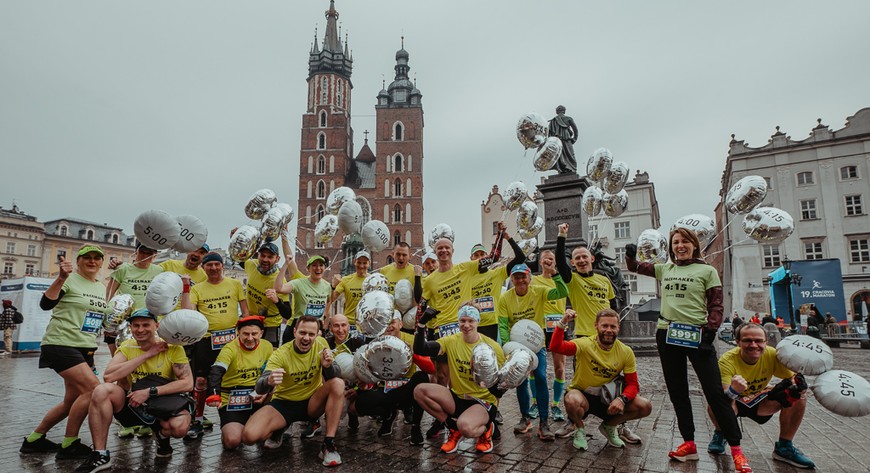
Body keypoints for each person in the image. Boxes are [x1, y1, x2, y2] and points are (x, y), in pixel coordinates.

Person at [625, 229, 750, 473]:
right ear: (671, 248)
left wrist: (711, 331)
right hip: (667, 333)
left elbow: (716, 303)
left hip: (698, 335)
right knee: (678, 391)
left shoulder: (707, 270)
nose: (680, 246)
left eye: (685, 242)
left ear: (694, 245)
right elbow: (637, 268)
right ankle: (689, 444)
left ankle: (736, 450)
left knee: (714, 393)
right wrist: (630, 256)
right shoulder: (666, 269)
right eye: (676, 243)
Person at [73, 309, 193, 472]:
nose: (140, 329)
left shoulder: (172, 348)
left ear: (156, 325)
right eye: (136, 325)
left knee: (179, 429)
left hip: (163, 404)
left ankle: (162, 435)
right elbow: (109, 376)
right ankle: (100, 454)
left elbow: (187, 383)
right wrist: (147, 354)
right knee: (101, 391)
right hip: (135, 406)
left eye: (145, 325)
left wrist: (150, 392)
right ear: (130, 327)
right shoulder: (127, 346)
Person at [20, 245, 107, 460]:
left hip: (85, 347)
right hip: (60, 344)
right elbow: (45, 304)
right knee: (93, 390)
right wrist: (60, 278)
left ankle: (34, 440)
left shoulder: (101, 287)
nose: (92, 261)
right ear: (78, 261)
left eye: (97, 258)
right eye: (87, 257)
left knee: (72, 401)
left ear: (101, 263)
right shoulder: (69, 280)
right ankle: (69, 444)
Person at [240, 315, 346, 467]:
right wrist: (269, 381)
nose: (306, 338)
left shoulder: (321, 344)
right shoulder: (281, 353)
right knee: (249, 436)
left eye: (311, 334)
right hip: (284, 404)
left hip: (312, 403)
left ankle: (328, 444)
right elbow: (259, 387)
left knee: (338, 384)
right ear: (295, 331)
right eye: (302, 333)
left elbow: (335, 375)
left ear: (317, 335)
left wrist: (328, 366)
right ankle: (279, 428)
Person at [415, 237, 493, 437]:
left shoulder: (465, 268)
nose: (443, 251)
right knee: (441, 376)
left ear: (452, 250)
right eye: (439, 248)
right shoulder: (430, 279)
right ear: (435, 251)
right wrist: (422, 321)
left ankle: (483, 412)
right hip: (442, 332)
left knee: (467, 373)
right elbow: (421, 304)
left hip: (464, 328)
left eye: (446, 247)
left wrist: (502, 235)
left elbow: (492, 259)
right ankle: (444, 420)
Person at [707, 323, 815, 469]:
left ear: (766, 342)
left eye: (758, 341)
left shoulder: (771, 354)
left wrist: (797, 386)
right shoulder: (727, 361)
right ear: (737, 342)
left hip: (759, 403)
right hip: (734, 402)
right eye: (747, 340)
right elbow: (725, 396)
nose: (753, 345)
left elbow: (792, 378)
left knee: (799, 396)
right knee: (715, 401)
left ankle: (784, 447)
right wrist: (734, 390)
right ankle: (721, 433)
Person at [549, 308, 652, 450]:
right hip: (583, 397)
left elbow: (633, 384)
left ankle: (609, 427)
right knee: (571, 399)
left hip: (608, 399)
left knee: (645, 406)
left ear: (618, 328)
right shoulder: (584, 344)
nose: (609, 330)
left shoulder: (626, 351)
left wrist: (622, 399)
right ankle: (579, 428)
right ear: (596, 326)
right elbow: (555, 346)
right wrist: (562, 323)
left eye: (613, 326)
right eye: (604, 326)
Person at [413, 305, 505, 454]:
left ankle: (487, 429)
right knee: (419, 391)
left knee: (466, 428)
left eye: (471, 321)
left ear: (478, 322)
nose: (466, 325)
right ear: (458, 322)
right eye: (462, 320)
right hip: (457, 398)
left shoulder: (492, 347)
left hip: (481, 402)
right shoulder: (451, 341)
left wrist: (492, 408)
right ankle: (452, 428)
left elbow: (500, 388)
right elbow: (420, 349)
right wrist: (422, 323)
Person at [182, 252, 249, 439]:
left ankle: (237, 417)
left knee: (235, 379)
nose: (213, 268)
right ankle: (198, 419)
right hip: (206, 341)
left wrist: (247, 334)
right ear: (203, 268)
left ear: (222, 266)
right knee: (201, 382)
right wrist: (186, 288)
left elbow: (245, 312)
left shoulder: (235, 284)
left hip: (232, 341)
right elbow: (188, 313)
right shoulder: (198, 289)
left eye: (216, 264)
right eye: (209, 265)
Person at [497, 263, 568, 441]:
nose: (520, 280)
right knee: (520, 381)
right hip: (517, 346)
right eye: (516, 277)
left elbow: (562, 293)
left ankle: (544, 422)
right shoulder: (505, 298)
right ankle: (525, 418)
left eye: (523, 276)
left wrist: (555, 274)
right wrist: (508, 348)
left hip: (537, 345)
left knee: (541, 378)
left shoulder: (539, 291)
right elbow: (503, 325)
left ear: (530, 278)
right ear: (511, 280)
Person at [351, 312, 432, 443]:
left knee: (422, 377)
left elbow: (431, 368)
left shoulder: (413, 339)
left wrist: (414, 355)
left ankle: (416, 427)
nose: (389, 326)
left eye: (392, 322)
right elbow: (365, 371)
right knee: (358, 405)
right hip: (384, 390)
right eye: (386, 323)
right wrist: (358, 387)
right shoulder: (376, 341)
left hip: (406, 389)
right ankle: (387, 415)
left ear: (401, 324)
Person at [204, 316, 273, 450]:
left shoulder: (267, 346)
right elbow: (216, 371)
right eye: (245, 334)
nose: (250, 338)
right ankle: (234, 428)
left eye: (254, 334)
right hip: (231, 398)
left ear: (261, 333)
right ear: (238, 333)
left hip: (257, 394)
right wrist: (214, 393)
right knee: (232, 441)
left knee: (263, 436)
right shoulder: (229, 349)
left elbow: (271, 373)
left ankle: (264, 428)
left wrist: (266, 393)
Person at [467, 221, 526, 342]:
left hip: (494, 325)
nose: (479, 258)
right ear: (471, 259)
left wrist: (508, 238)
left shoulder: (497, 273)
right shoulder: (466, 279)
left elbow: (520, 257)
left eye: (482, 254)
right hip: (473, 325)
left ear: (487, 256)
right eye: (476, 255)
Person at [105, 242, 164, 356]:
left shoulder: (159, 271)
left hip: (148, 322)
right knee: (121, 357)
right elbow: (109, 294)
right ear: (136, 252)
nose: (145, 255)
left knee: (147, 359)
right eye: (142, 252)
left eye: (149, 253)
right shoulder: (123, 269)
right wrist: (107, 322)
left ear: (154, 255)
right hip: (125, 322)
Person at [531, 249, 567, 422]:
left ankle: (556, 405)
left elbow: (566, 293)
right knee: (536, 368)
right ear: (540, 261)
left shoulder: (560, 279)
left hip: (557, 326)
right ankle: (536, 402)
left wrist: (555, 273)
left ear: (555, 262)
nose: (548, 261)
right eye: (545, 258)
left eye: (551, 258)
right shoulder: (533, 280)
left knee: (559, 367)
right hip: (538, 326)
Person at [323, 314, 366, 434]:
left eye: (343, 325)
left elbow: (366, 373)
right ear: (331, 327)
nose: (340, 330)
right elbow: (321, 373)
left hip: (355, 386)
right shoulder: (325, 344)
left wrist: (357, 389)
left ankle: (353, 414)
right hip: (334, 386)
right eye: (336, 326)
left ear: (349, 326)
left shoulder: (358, 342)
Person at [244, 241, 291, 346]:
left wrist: (277, 301)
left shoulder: (279, 281)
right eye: (263, 256)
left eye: (270, 257)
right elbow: (238, 258)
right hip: (252, 320)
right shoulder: (251, 264)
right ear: (258, 256)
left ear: (277, 259)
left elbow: (287, 314)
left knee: (268, 357)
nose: (265, 260)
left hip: (270, 325)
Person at [274, 254, 332, 337]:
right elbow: (278, 288)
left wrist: (324, 324)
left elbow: (329, 301)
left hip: (316, 327)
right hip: (299, 325)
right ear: (308, 269)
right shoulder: (299, 283)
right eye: (314, 265)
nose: (318, 268)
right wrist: (286, 264)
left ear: (325, 268)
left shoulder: (327, 286)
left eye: (321, 265)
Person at [325, 251, 370, 333]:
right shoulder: (346, 280)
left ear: (369, 263)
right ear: (354, 262)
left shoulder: (373, 281)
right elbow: (331, 300)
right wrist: (333, 286)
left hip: (368, 324)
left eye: (365, 263)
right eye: (359, 262)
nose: (362, 266)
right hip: (350, 324)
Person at [547, 105, 579, 174]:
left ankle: (561, 169)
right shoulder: (569, 118)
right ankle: (571, 169)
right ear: (564, 111)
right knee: (571, 155)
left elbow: (549, 133)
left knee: (560, 155)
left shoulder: (553, 121)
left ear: (557, 112)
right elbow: (575, 130)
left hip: (557, 141)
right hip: (567, 139)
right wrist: (574, 139)